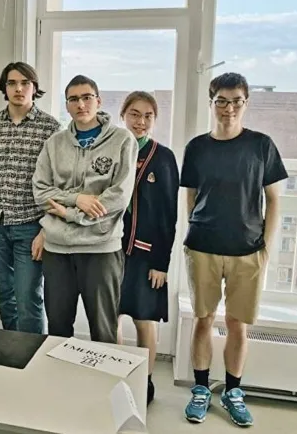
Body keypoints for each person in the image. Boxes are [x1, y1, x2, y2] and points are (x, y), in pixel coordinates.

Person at [181, 72, 287, 427]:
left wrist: (266, 249)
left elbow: (274, 199)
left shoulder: (261, 145)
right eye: (222, 101)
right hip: (203, 248)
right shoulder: (197, 147)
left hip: (248, 250)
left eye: (236, 101)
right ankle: (200, 390)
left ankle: (233, 392)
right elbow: (190, 196)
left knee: (237, 324)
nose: (229, 109)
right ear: (211, 103)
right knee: (203, 319)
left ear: (246, 103)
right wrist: (194, 228)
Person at [32, 74, 136, 344]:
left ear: (98, 101)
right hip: (58, 250)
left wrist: (69, 213)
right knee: (57, 331)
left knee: (103, 332)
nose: (81, 104)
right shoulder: (54, 144)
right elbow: (40, 192)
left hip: (100, 249)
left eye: (87, 97)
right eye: (74, 99)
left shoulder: (123, 141)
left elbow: (118, 197)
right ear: (67, 105)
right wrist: (78, 199)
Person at [0, 62, 60, 334]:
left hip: (31, 225)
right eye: (12, 83)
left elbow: (58, 184)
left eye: (25, 83)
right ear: (5, 88)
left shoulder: (50, 128)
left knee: (28, 298)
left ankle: (31, 354)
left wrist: (46, 230)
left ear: (34, 87)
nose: (18, 88)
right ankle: (12, 347)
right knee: (5, 295)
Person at [115, 91, 179, 405]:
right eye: (134, 114)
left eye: (148, 116)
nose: (140, 121)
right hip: (110, 250)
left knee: (144, 320)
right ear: (123, 115)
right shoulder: (112, 148)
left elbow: (169, 214)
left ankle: (145, 381)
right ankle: (115, 377)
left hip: (146, 254)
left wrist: (161, 263)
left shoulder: (163, 157)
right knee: (109, 318)